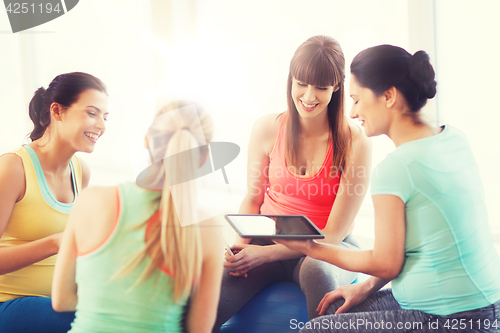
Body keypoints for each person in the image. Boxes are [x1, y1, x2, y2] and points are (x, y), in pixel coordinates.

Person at [276, 45, 500, 333]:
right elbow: (399, 251)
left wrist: (310, 246)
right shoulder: (454, 138)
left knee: (314, 330)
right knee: (332, 309)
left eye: (357, 100)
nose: (353, 111)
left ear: (389, 96)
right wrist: (365, 288)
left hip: (457, 317)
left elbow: (385, 263)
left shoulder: (396, 168)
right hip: (483, 304)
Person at [213, 35, 372, 331]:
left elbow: (333, 235)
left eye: (321, 87)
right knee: (209, 298)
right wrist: (241, 248)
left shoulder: (355, 142)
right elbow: (253, 199)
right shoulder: (266, 128)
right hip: (268, 238)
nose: (309, 96)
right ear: (291, 80)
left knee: (316, 273)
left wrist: (265, 254)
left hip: (326, 247)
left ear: (336, 86)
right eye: (301, 83)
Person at [51, 101, 224, 333]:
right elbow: (198, 329)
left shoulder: (91, 201)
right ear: (203, 158)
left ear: (147, 140)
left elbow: (61, 300)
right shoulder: (206, 228)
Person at [0, 72, 108, 333]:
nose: (101, 125)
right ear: (57, 111)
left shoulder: (80, 171)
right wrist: (55, 242)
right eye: (92, 113)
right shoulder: (13, 167)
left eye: (105, 117)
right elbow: (63, 242)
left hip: (62, 300)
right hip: (9, 302)